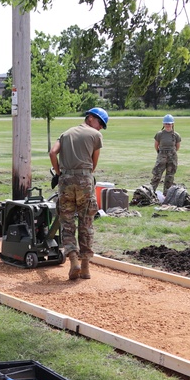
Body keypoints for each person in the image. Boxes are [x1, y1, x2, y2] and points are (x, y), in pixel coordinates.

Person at [49, 107, 108, 280]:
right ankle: (85, 267)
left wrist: (59, 173)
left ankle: (73, 260)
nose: (100, 128)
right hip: (85, 181)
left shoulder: (66, 134)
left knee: (67, 222)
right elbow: (93, 163)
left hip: (66, 181)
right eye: (100, 123)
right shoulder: (95, 136)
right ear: (90, 118)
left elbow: (53, 152)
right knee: (86, 223)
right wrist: (87, 177)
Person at [150, 114, 181, 194]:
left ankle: (167, 194)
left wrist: (171, 154)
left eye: (169, 124)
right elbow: (156, 145)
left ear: (172, 124)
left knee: (170, 176)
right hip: (161, 156)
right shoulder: (159, 134)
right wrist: (160, 154)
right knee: (157, 175)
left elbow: (177, 147)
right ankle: (151, 192)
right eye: (166, 124)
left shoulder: (176, 135)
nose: (168, 125)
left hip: (172, 157)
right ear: (163, 124)